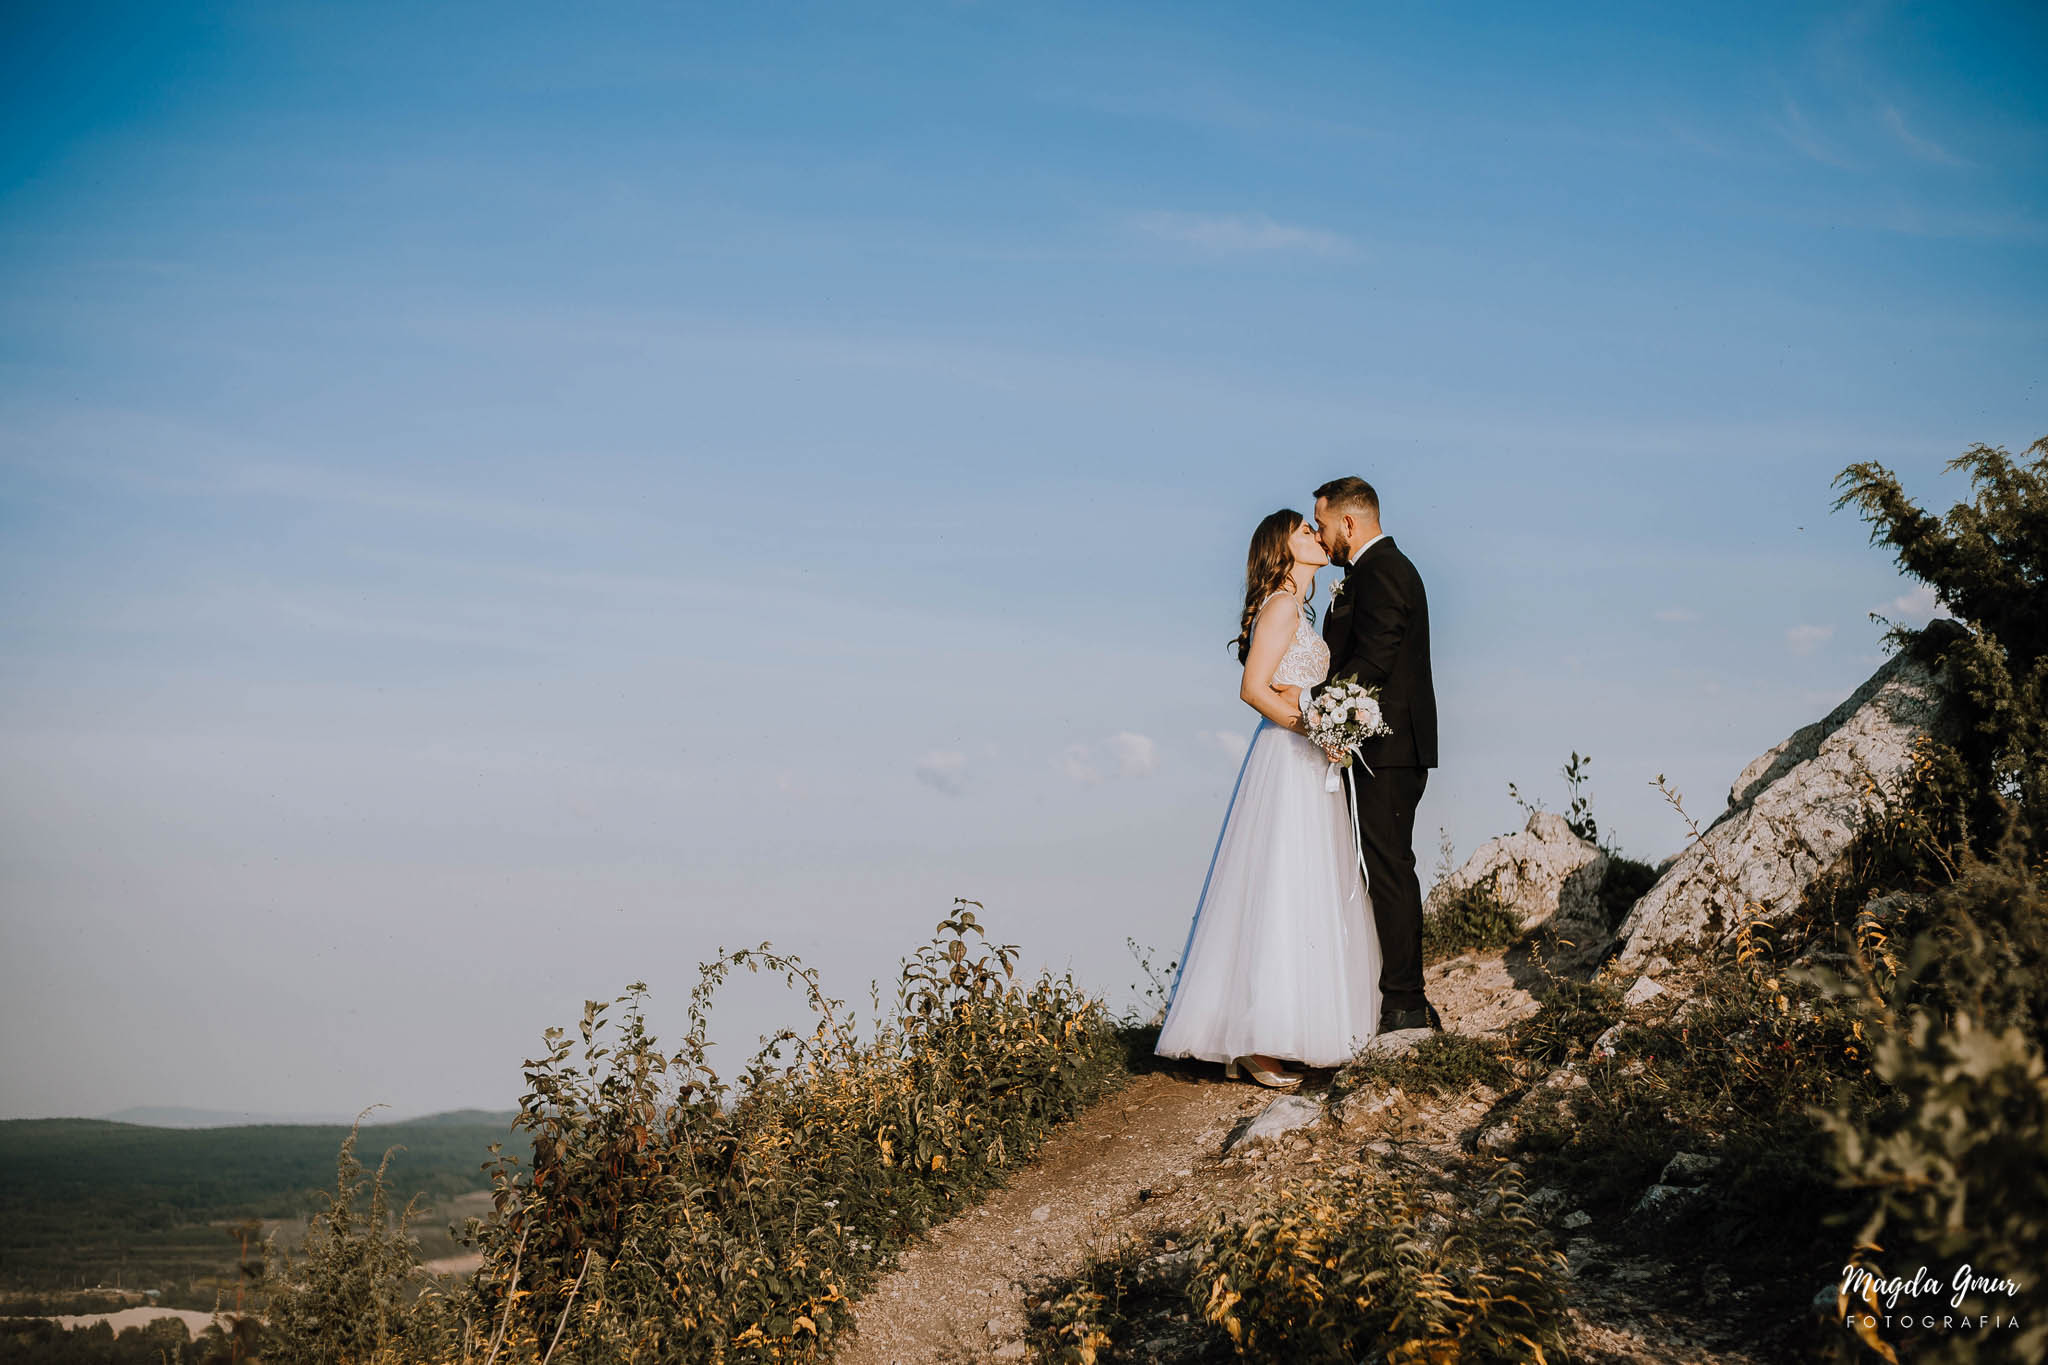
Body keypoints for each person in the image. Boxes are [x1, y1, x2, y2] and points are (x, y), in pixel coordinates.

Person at [1154, 509, 1382, 1088]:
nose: (1315, 534)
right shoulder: (1281, 606)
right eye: (1304, 531)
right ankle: (1259, 1041)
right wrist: (1319, 729)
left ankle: (1301, 1028)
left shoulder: (1301, 609)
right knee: (1281, 885)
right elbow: (1252, 689)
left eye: (1315, 527)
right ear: (1281, 549)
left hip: (1306, 758)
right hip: (1286, 758)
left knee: (1308, 888)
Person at [1311, 476, 1442, 1034]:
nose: (1320, 535)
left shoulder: (1384, 570)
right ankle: (1401, 996)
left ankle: (1406, 1002)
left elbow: (1378, 656)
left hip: (1387, 747)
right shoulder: (1367, 574)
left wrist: (1317, 705)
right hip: (1381, 746)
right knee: (1383, 867)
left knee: (1389, 869)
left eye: (1322, 524)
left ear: (1348, 522)